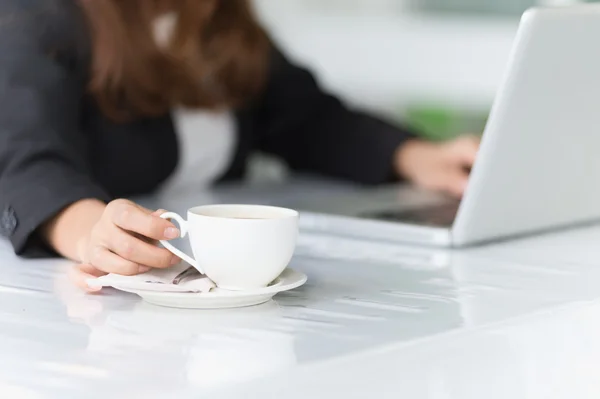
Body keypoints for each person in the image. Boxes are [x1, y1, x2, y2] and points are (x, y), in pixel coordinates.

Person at [0, 0, 479, 290]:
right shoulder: (41, 17)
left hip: (219, 283)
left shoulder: (219, 19)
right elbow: (24, 158)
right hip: (101, 301)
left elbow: (308, 119)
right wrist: (87, 233)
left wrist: (413, 156)